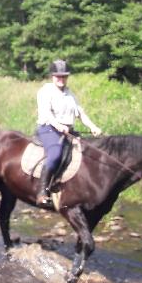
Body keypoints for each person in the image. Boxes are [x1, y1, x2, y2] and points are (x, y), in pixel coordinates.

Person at [35, 59, 102, 209]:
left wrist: (93, 126)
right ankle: (42, 192)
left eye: (64, 76)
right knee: (55, 154)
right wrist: (59, 126)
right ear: (52, 76)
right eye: (58, 76)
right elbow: (46, 113)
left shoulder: (69, 93)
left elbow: (81, 113)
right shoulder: (45, 91)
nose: (61, 79)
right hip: (49, 129)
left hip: (67, 131)